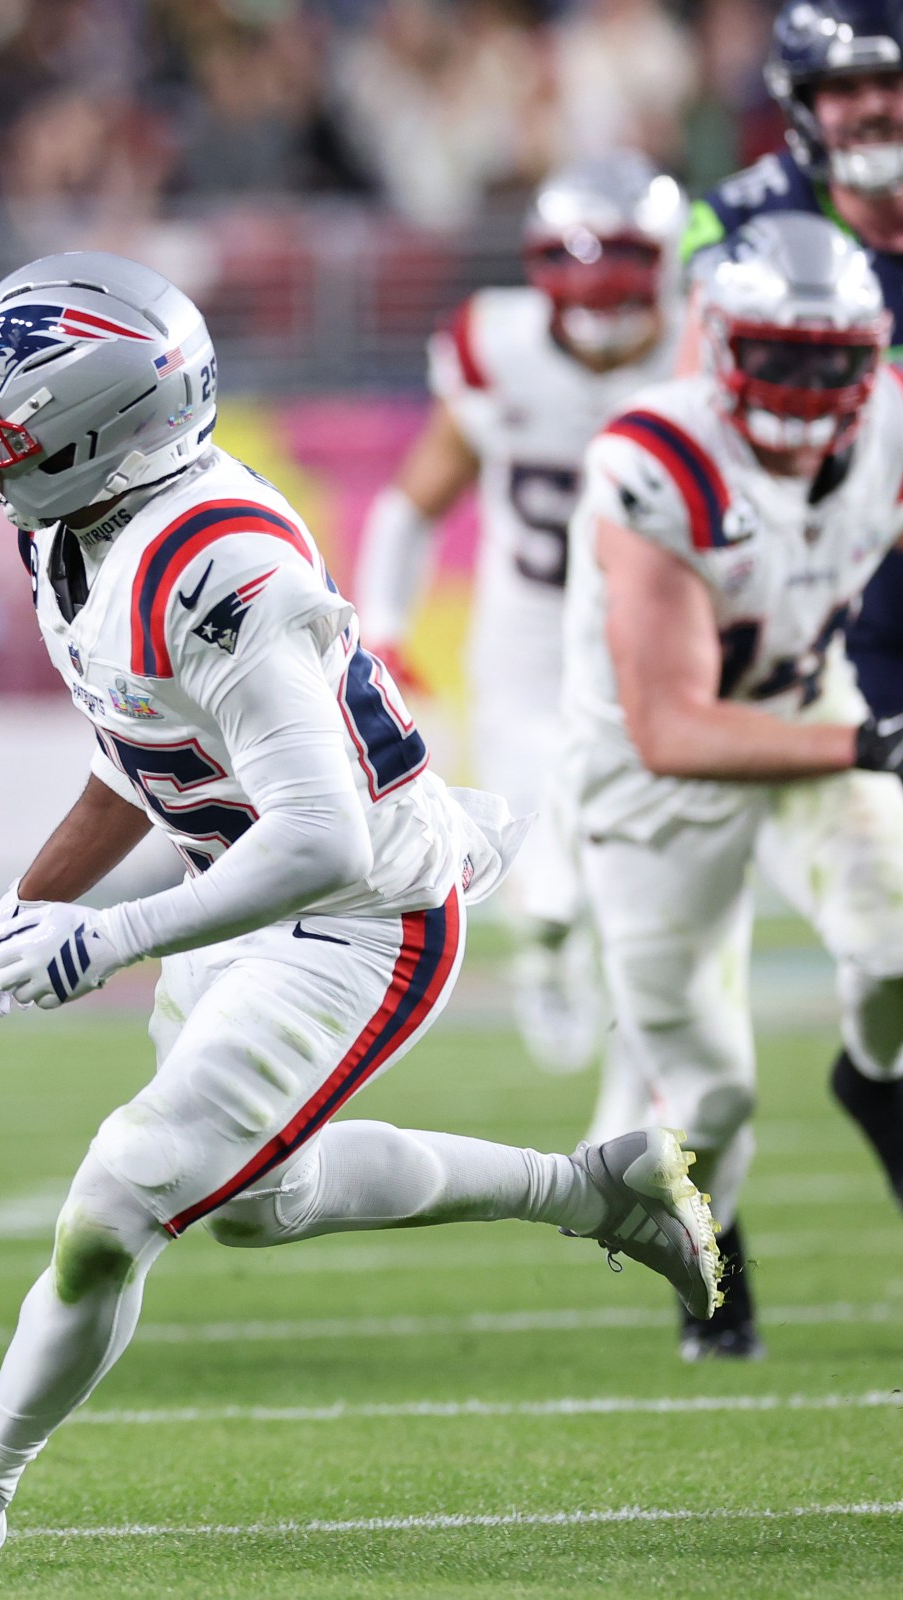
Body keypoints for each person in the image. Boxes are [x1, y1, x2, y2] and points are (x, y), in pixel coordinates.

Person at [0, 254, 722, 1576]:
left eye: (4, 420)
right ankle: (596, 1191)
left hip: (361, 911)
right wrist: (29, 901)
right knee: (260, 1204)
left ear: (102, 429)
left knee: (121, 1200)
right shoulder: (75, 529)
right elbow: (133, 754)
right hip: (253, 892)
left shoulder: (212, 562)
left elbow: (321, 838)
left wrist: (103, 941)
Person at [563, 214, 903, 1361]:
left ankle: (876, 1078)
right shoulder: (654, 462)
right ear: (719, 342)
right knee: (710, 1097)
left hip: (807, 700)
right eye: (779, 355)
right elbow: (673, 726)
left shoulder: (891, 417)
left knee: (899, 938)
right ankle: (715, 1272)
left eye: (835, 361)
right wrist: (873, 744)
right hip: (652, 777)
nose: (810, 390)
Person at [354, 152, 682, 1074]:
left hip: (662, 635)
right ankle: (547, 953)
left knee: (645, 858)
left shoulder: (706, 345)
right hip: (533, 639)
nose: (602, 308)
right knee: (541, 860)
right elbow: (415, 499)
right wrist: (381, 623)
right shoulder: (499, 346)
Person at [679, 0, 903, 1289]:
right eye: (849, 84)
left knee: (888, 947)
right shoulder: (744, 225)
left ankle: (875, 1075)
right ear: (803, 101)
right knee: (679, 985)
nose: (875, 106)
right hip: (785, 612)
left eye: (894, 81)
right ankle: (710, 1227)